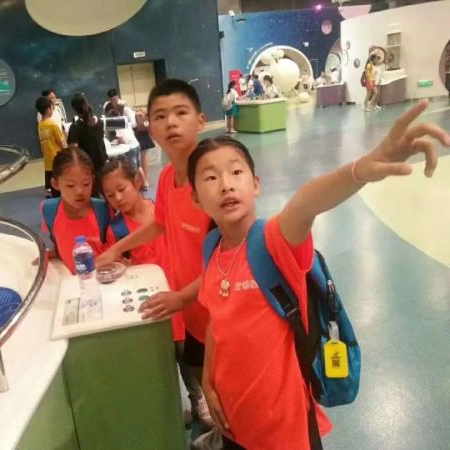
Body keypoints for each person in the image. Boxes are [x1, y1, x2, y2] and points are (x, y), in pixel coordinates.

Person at [187, 101, 448, 449]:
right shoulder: (212, 248)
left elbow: (304, 205)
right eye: (210, 177)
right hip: (234, 422)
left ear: (256, 184)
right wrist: (208, 379)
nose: (225, 185)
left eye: (236, 172)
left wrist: (360, 169)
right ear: (196, 199)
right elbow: (215, 322)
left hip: (285, 431)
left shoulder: (273, 241)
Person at [96, 79, 215, 429]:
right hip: (193, 315)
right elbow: (160, 223)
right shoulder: (166, 178)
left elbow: (232, 261)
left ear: (201, 120)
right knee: (212, 392)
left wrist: (180, 297)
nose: (171, 122)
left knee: (230, 393)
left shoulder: (212, 177)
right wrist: (116, 249)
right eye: (160, 116)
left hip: (219, 314)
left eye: (181, 112)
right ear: (150, 128)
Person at [100, 155, 206, 426]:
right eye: (110, 195)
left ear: (137, 181)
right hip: (155, 307)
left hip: (182, 297)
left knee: (188, 356)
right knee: (163, 361)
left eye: (121, 189)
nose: (117, 198)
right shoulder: (117, 230)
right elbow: (122, 269)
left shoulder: (162, 209)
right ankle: (174, 408)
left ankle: (198, 400)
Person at [40, 147, 109, 274]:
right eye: (70, 185)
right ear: (55, 184)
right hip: (70, 282)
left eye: (86, 184)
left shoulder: (104, 210)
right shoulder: (49, 210)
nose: (79, 191)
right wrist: (50, 253)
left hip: (102, 278)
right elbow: (60, 240)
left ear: (93, 180)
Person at [105, 108, 148, 188]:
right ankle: (144, 184)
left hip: (131, 148)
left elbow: (122, 140)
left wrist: (117, 142)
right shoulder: (125, 122)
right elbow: (131, 133)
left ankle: (135, 187)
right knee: (139, 166)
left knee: (132, 169)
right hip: (136, 144)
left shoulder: (117, 126)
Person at [67, 93, 108, 174]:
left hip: (87, 166)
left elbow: (74, 150)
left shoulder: (75, 126)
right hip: (102, 163)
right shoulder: (100, 122)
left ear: (74, 110)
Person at [36, 96, 66, 197]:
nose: (53, 109)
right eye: (52, 107)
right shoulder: (53, 125)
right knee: (61, 187)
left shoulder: (41, 125)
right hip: (57, 161)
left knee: (54, 188)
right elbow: (62, 143)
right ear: (48, 110)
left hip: (48, 162)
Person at [134, 107, 154, 190]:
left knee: (143, 160)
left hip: (143, 139)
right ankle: (143, 180)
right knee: (141, 161)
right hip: (140, 138)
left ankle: (144, 181)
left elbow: (141, 127)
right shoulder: (142, 118)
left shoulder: (144, 119)